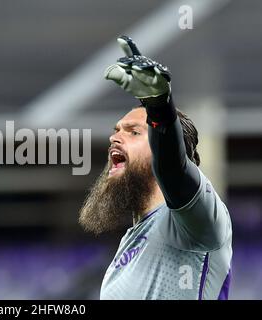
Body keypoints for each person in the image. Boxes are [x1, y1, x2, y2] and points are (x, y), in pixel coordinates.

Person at [79, 36, 232, 300]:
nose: (114, 138)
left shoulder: (194, 222)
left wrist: (158, 104)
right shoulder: (131, 241)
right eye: (116, 131)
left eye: (133, 132)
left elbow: (173, 169)